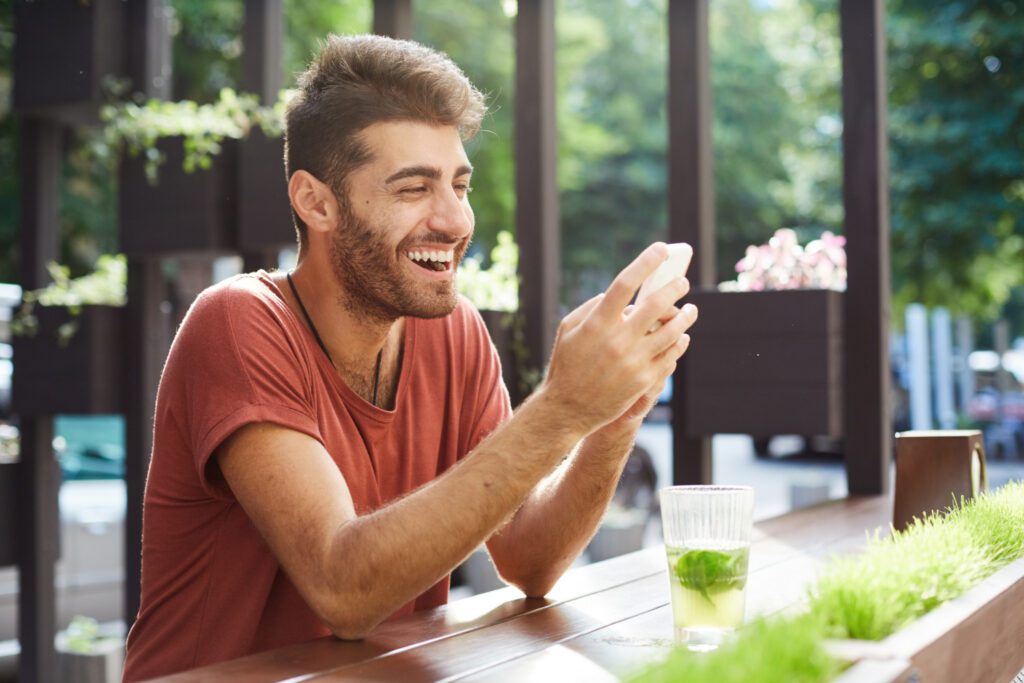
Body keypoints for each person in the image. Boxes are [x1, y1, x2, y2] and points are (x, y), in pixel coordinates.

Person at [122, 34, 697, 681]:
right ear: (317, 202)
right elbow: (343, 589)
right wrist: (562, 408)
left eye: (459, 183)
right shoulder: (238, 322)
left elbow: (530, 561)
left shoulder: (455, 333)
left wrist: (613, 413)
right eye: (414, 188)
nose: (455, 221)